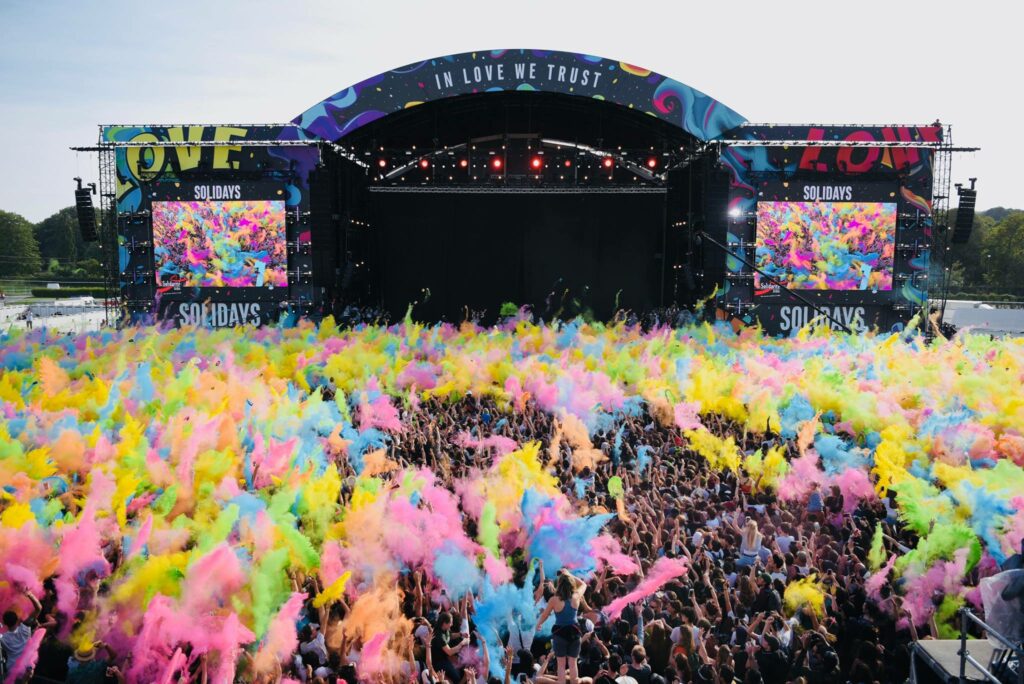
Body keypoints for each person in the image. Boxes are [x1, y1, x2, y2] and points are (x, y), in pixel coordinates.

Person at [537, 572, 590, 684]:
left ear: (559, 584)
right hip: (574, 632)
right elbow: (584, 585)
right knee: (573, 663)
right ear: (571, 584)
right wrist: (569, 574)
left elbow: (545, 615)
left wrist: (539, 624)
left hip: (559, 634)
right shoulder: (576, 596)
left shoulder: (554, 600)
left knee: (561, 665)